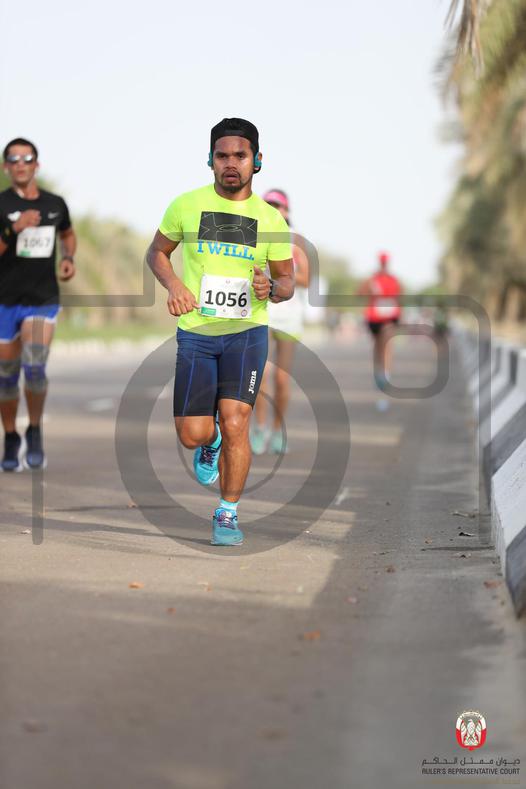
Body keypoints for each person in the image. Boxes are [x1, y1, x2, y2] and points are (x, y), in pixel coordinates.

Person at [146, 118, 293, 546]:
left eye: (240, 156)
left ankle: (227, 513)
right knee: (192, 434)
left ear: (257, 161)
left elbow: (287, 281)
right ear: (210, 160)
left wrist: (272, 288)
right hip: (197, 331)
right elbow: (157, 252)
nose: (231, 163)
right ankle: (208, 442)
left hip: (247, 334)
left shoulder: (271, 220)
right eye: (222, 155)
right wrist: (174, 286)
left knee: (236, 422)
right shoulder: (186, 205)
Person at [0, 138, 76, 471]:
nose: (21, 163)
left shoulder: (54, 204)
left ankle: (33, 430)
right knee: (6, 376)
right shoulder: (1, 204)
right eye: (14, 159)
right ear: (6, 167)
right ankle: (10, 436)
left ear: (36, 164)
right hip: (5, 301)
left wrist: (68, 257)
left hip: (41, 300)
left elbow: (67, 234)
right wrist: (13, 229)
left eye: (27, 158)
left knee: (33, 368)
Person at [250, 189, 309, 455]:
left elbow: (305, 279)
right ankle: (260, 428)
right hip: (262, 312)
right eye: (269, 204)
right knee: (260, 375)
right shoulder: (255, 235)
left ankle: (276, 431)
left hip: (289, 315)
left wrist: (282, 278)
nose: (274, 208)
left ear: (287, 211)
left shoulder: (295, 242)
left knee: (282, 380)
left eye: (278, 205)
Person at [359, 251, 401, 390]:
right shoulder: (372, 279)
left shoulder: (393, 279)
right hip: (374, 317)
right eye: (382, 263)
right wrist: (368, 290)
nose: (384, 265)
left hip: (389, 317)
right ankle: (378, 371)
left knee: (387, 343)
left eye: (385, 263)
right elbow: (360, 293)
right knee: (378, 345)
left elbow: (399, 297)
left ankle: (386, 374)